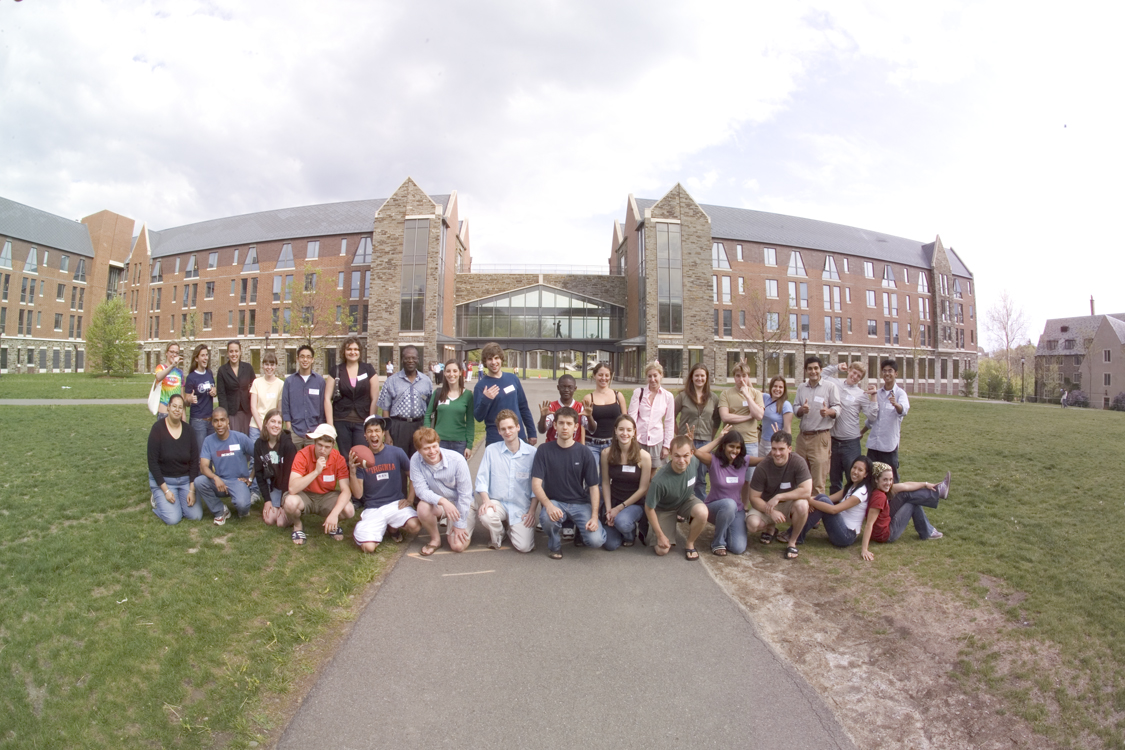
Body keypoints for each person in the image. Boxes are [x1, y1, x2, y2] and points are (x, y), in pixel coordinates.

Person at [533, 407, 606, 558]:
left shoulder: (584, 452)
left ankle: (581, 529)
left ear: (576, 427)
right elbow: (536, 484)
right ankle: (554, 545)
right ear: (555, 426)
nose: (564, 427)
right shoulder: (544, 450)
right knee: (547, 518)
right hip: (555, 502)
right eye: (561, 423)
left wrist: (594, 516)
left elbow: (593, 487)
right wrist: (549, 505)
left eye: (568, 423)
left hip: (580, 504)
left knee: (596, 541)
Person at [349, 416, 420, 554]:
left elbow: (413, 476)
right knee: (368, 548)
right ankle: (384, 527)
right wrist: (352, 473)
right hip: (374, 508)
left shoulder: (397, 452)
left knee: (415, 526)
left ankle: (392, 527)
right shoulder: (361, 459)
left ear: (383, 433)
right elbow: (358, 494)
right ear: (365, 435)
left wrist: (410, 499)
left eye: (377, 430)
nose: (374, 434)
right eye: (370, 431)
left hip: (395, 504)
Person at [472, 410, 537, 552]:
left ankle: (512, 529)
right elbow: (482, 479)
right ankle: (499, 533)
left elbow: (536, 487)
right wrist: (486, 500)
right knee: (486, 515)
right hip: (497, 503)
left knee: (524, 547)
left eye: (510, 427)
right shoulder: (491, 450)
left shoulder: (532, 453)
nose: (507, 432)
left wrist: (532, 511)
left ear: (518, 427)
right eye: (503, 429)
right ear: (499, 431)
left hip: (520, 506)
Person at [692, 424, 760, 556]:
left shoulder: (744, 461)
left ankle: (727, 527)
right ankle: (718, 543)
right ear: (724, 446)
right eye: (731, 446)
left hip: (737, 511)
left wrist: (781, 449)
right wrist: (719, 439)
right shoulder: (714, 460)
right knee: (729, 504)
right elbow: (696, 452)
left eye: (738, 447)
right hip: (714, 508)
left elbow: (765, 460)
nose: (735, 450)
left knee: (738, 548)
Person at [284, 424, 354, 546]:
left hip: (326, 496)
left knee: (349, 510)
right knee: (290, 502)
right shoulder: (303, 454)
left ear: (333, 446)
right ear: (314, 442)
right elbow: (292, 488)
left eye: (327, 447)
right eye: (320, 445)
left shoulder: (339, 459)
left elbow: (346, 490)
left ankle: (333, 523)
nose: (322, 450)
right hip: (305, 495)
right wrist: (316, 472)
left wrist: (334, 514)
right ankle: (297, 525)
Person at [746, 430, 812, 560]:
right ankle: (770, 527)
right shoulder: (763, 466)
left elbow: (806, 490)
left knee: (803, 505)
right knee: (752, 524)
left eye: (781, 449)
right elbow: (753, 498)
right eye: (774, 449)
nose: (777, 453)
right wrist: (771, 512)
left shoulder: (798, 462)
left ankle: (792, 541)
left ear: (789, 448)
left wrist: (779, 497)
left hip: (787, 504)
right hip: (766, 504)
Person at [859, 465, 949, 560]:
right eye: (885, 480)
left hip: (885, 521)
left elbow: (905, 486)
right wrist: (864, 549)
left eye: (890, 480)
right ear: (876, 480)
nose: (888, 483)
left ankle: (938, 492)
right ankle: (927, 532)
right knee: (912, 503)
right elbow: (869, 524)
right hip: (887, 535)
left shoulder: (878, 489)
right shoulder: (879, 497)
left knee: (905, 493)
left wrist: (925, 484)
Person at [643, 435, 710, 559]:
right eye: (677, 456)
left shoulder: (693, 461)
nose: (682, 460)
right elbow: (649, 508)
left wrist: (719, 438)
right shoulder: (659, 481)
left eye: (685, 456)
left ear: (691, 453)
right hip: (664, 508)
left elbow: (704, 450)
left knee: (703, 512)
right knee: (661, 550)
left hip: (685, 500)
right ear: (670, 455)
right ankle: (653, 528)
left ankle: (690, 543)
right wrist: (660, 535)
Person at [410, 427, 475, 555]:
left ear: (438, 444)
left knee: (457, 546)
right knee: (422, 507)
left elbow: (465, 495)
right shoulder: (415, 460)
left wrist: (460, 524)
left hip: (461, 502)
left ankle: (460, 523)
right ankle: (435, 539)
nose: (432, 451)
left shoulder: (457, 460)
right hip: (440, 504)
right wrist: (443, 501)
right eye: (426, 448)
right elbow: (421, 491)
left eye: (434, 446)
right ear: (418, 450)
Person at [822, 360, 877, 494]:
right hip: (833, 441)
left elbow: (872, 417)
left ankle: (851, 509)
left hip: (851, 443)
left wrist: (874, 396)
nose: (855, 377)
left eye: (859, 376)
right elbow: (822, 374)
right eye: (853, 372)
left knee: (853, 479)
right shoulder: (835, 384)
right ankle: (833, 511)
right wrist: (837, 367)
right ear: (849, 371)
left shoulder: (861, 394)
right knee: (835, 480)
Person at [195, 407, 255, 525]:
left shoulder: (240, 438)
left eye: (222, 420)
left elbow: (258, 456)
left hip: (238, 481)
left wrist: (250, 478)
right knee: (199, 482)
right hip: (220, 482)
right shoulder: (208, 441)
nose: (219, 424)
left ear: (228, 421)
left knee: (243, 507)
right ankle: (221, 510)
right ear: (212, 423)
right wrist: (215, 478)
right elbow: (203, 466)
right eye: (216, 421)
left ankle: (241, 501)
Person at [600, 414, 652, 550]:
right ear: (615, 431)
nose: (625, 433)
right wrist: (609, 509)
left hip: (635, 504)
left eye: (629, 430)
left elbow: (643, 489)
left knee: (622, 522)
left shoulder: (644, 457)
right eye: (621, 429)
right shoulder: (606, 453)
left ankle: (630, 534)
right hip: (614, 501)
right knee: (609, 545)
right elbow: (605, 483)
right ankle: (618, 526)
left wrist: (620, 508)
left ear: (634, 432)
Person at [147, 394, 200, 525]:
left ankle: (176, 503)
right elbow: (152, 462)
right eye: (174, 406)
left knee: (196, 516)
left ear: (183, 410)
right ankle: (158, 499)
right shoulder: (157, 429)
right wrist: (166, 490)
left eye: (180, 407)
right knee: (173, 519)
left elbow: (194, 462)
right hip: (165, 480)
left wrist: (192, 490)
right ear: (168, 408)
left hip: (184, 480)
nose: (177, 410)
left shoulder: (189, 431)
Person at [799, 456, 875, 548]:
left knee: (822, 500)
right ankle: (796, 533)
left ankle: (795, 535)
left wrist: (809, 500)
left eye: (860, 470)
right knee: (822, 497)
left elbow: (834, 510)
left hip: (846, 536)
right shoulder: (852, 487)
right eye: (854, 467)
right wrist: (807, 499)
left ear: (866, 474)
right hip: (841, 528)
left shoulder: (861, 492)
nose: (855, 472)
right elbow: (828, 498)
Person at [793, 356, 841, 496]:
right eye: (810, 369)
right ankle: (801, 511)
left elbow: (838, 407)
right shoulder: (802, 388)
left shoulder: (830, 387)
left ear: (820, 370)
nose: (813, 371)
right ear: (806, 370)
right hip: (802, 438)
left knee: (818, 480)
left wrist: (829, 412)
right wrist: (801, 410)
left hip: (820, 438)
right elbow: (796, 407)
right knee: (800, 477)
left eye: (816, 368)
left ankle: (815, 515)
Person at [473, 341, 536, 446]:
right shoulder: (481, 386)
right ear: (485, 362)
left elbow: (523, 407)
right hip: (495, 439)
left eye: (496, 358)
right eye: (489, 359)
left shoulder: (513, 378)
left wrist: (532, 432)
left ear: (501, 359)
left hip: (517, 435)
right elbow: (478, 417)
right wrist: (486, 399)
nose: (494, 362)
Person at [376, 345, 433, 458]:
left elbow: (430, 408)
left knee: (421, 461)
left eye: (413, 358)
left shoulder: (426, 381)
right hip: (398, 427)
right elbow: (385, 410)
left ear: (418, 359)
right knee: (399, 463)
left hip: (420, 426)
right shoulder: (391, 381)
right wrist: (387, 434)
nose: (410, 361)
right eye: (407, 358)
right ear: (402, 360)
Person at [329, 336, 379, 459]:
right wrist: (330, 425)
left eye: (356, 349)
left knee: (361, 457)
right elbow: (326, 399)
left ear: (360, 352)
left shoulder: (368, 370)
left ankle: (358, 479)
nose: (352, 352)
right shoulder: (336, 371)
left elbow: (375, 398)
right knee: (345, 458)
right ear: (343, 352)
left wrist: (370, 422)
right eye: (349, 349)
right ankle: (347, 478)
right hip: (341, 421)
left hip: (362, 422)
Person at [675, 362, 720, 500]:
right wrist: (679, 436)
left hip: (705, 443)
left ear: (706, 378)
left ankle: (701, 506)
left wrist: (711, 436)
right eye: (696, 376)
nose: (699, 378)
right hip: (686, 443)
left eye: (702, 375)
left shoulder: (713, 398)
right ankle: (681, 505)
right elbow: (671, 417)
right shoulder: (682, 396)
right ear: (691, 377)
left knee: (700, 477)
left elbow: (717, 420)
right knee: (684, 474)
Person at [717, 361, 765, 475]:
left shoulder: (756, 394)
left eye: (744, 376)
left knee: (748, 479)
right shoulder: (726, 394)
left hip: (750, 442)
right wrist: (748, 416)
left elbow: (759, 415)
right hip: (731, 443)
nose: (741, 379)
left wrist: (747, 395)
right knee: (730, 476)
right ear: (734, 377)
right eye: (738, 376)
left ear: (748, 377)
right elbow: (725, 417)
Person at [865, 359, 910, 481]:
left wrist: (896, 404)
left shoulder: (900, 394)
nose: (887, 373)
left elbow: (904, 410)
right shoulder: (877, 393)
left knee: (891, 479)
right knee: (871, 478)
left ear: (896, 373)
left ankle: (895, 500)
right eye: (884, 371)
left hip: (889, 445)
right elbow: (872, 419)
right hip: (874, 444)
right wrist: (861, 431)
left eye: (890, 371)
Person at [254, 408, 297, 528]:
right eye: (273, 421)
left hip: (289, 489)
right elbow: (259, 474)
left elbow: (290, 476)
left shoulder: (288, 445)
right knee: (269, 519)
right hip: (276, 488)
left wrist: (283, 505)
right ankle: (276, 505)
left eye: (279, 422)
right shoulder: (259, 444)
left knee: (281, 523)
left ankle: (292, 510)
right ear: (266, 423)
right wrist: (267, 500)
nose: (276, 425)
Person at [628, 361, 675, 470]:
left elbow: (669, 422)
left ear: (661, 375)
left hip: (656, 440)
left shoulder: (668, 397)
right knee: (636, 470)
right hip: (639, 439)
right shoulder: (638, 393)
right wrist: (631, 439)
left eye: (655, 375)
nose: (652, 379)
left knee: (652, 473)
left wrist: (666, 446)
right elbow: (632, 418)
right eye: (649, 376)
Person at [281, 345, 328, 451]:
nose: (305, 359)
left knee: (313, 463)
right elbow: (285, 405)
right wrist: (289, 428)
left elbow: (322, 407)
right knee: (294, 464)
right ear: (297, 359)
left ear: (312, 360)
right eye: (302, 356)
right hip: (295, 432)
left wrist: (319, 430)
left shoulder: (320, 381)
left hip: (314, 431)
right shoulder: (289, 381)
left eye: (308, 357)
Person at [425, 359, 475, 458]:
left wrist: (469, 445)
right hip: (439, 442)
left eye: (455, 371)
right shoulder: (438, 393)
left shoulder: (468, 395)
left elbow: (470, 422)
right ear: (444, 373)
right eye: (448, 371)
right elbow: (427, 415)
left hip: (460, 443)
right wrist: (429, 436)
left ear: (460, 372)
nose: (451, 374)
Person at [583, 362, 628, 462]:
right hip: (592, 445)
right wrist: (582, 445)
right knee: (592, 475)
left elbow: (625, 421)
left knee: (608, 476)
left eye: (607, 375)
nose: (604, 378)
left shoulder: (618, 396)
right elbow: (583, 424)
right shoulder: (588, 398)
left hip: (612, 444)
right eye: (600, 375)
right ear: (594, 375)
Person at [538, 373, 594, 444]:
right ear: (558, 387)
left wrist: (589, 417)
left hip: (573, 449)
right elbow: (541, 430)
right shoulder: (551, 407)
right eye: (563, 387)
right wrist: (543, 417)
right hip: (553, 448)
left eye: (570, 387)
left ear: (575, 388)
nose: (566, 390)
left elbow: (592, 430)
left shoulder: (580, 407)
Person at [216, 340, 256, 436]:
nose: (234, 354)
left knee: (247, 441)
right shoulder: (222, 371)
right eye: (231, 351)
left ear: (240, 352)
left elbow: (255, 388)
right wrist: (225, 418)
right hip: (232, 413)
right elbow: (221, 395)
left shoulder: (248, 368)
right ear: (227, 353)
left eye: (236, 351)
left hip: (247, 412)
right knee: (235, 441)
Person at [184, 344, 217, 448]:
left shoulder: (209, 373)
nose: (205, 358)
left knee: (211, 452)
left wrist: (214, 391)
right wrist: (189, 399)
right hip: (198, 421)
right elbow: (186, 401)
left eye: (206, 355)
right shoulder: (191, 377)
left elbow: (213, 389)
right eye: (202, 355)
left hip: (210, 419)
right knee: (200, 453)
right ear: (196, 358)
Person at [249, 351, 284, 443]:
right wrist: (261, 427)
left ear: (276, 366)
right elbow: (253, 407)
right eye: (266, 364)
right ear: (263, 366)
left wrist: (272, 426)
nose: (269, 367)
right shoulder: (256, 382)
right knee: (254, 455)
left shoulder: (281, 384)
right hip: (256, 426)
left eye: (272, 364)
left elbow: (279, 409)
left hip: (273, 427)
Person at [758, 376, 794, 460]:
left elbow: (787, 429)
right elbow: (752, 391)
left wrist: (786, 448)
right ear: (771, 387)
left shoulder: (786, 405)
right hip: (762, 442)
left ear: (784, 389)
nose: (777, 389)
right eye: (775, 386)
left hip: (775, 443)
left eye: (780, 387)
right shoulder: (765, 398)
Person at [152, 342, 183, 420]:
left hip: (176, 414)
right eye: (171, 352)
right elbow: (158, 377)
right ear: (166, 353)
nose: (174, 354)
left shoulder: (179, 372)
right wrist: (172, 366)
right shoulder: (161, 367)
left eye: (176, 353)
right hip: (164, 413)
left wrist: (184, 417)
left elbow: (181, 396)